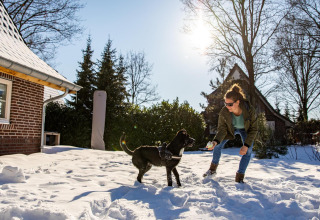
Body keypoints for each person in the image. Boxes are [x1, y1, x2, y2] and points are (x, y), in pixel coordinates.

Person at [203, 83, 258, 183]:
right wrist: (215, 142)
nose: (227, 106)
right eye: (225, 103)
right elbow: (222, 129)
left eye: (230, 104)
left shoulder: (249, 110)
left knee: (248, 151)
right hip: (230, 129)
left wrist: (246, 145)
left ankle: (240, 177)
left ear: (237, 102)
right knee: (218, 146)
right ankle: (212, 170)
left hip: (245, 130)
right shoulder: (224, 112)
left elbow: (253, 129)